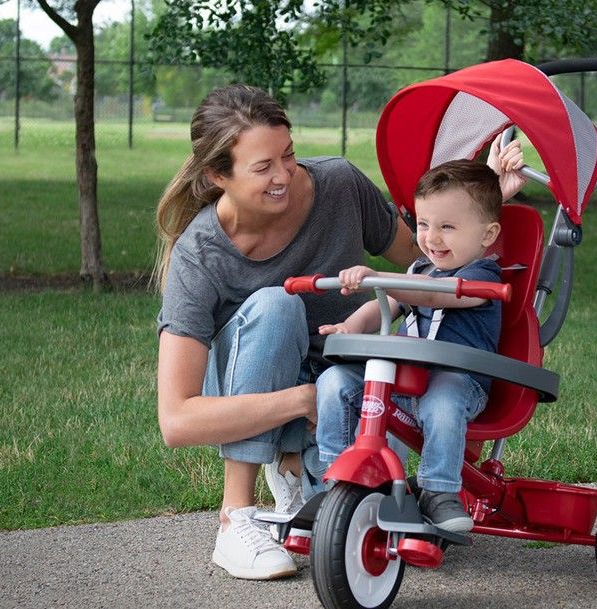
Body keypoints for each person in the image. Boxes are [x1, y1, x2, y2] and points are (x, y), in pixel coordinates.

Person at [153, 85, 421, 580]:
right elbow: (177, 421)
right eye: (263, 167)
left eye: (289, 154)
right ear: (217, 176)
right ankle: (235, 518)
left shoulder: (339, 184)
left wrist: (481, 202)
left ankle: (295, 466)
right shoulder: (200, 256)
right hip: (259, 389)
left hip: (344, 382)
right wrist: (300, 401)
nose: (284, 175)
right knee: (277, 304)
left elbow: (421, 264)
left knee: (365, 534)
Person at [312, 153, 522, 534]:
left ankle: (438, 491)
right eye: (423, 224)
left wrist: (379, 277)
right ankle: (336, 478)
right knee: (334, 381)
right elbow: (384, 305)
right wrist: (349, 326)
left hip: (457, 382)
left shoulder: (482, 276)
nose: (431, 238)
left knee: (443, 403)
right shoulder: (419, 269)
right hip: (404, 380)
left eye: (447, 227)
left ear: (488, 235)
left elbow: (431, 295)